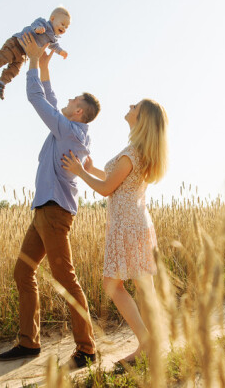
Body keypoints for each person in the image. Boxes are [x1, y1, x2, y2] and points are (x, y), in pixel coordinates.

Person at [0, 32, 100, 370]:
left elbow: (38, 98)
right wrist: (42, 63)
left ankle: (86, 347)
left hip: (55, 213)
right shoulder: (66, 125)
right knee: (23, 271)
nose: (66, 102)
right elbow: (52, 98)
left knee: (66, 279)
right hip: (42, 211)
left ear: (79, 111)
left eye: (73, 101)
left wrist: (30, 62)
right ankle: (29, 342)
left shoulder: (70, 131)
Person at [61, 98, 168, 364]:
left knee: (112, 285)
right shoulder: (140, 151)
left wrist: (79, 172)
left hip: (127, 226)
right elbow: (116, 180)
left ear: (141, 118)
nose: (130, 107)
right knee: (145, 288)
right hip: (138, 223)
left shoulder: (132, 153)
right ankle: (154, 344)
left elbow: (107, 188)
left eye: (135, 107)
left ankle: (147, 344)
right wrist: (90, 168)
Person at [0, 6, 71, 100]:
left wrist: (61, 52)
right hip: (17, 43)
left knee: (15, 70)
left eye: (66, 27)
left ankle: (0, 83)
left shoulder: (53, 39)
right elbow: (35, 24)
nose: (64, 28)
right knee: (3, 58)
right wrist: (37, 29)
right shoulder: (43, 24)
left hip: (24, 54)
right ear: (52, 18)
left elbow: (55, 46)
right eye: (62, 24)